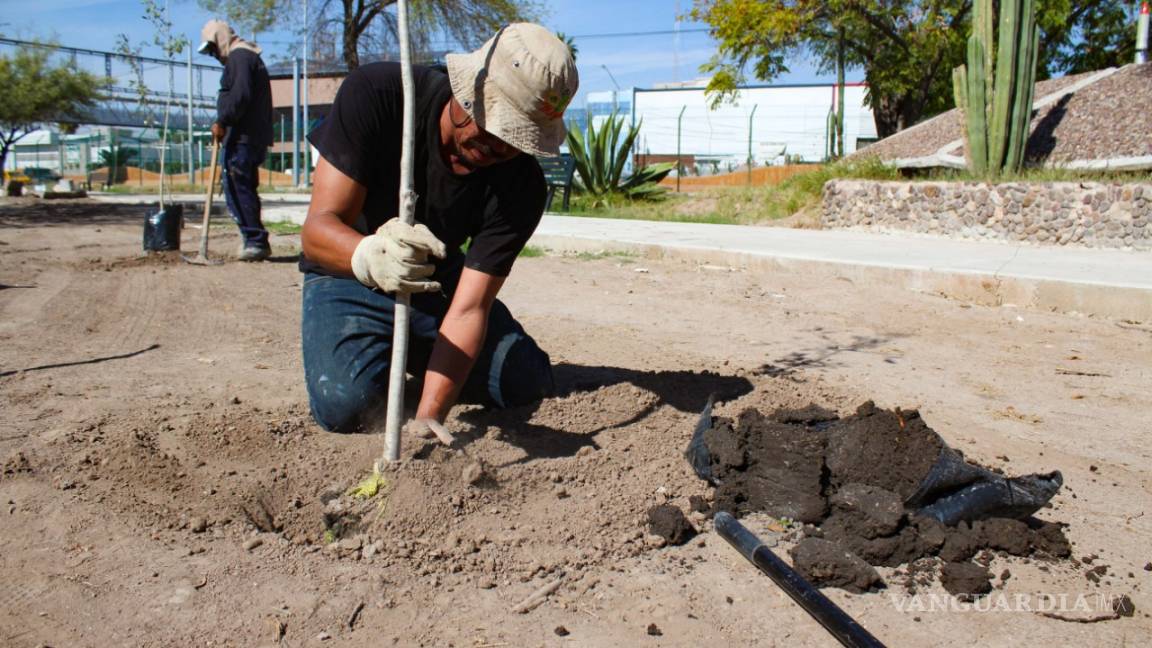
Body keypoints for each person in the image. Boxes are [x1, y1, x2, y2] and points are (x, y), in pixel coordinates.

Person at [299, 23, 578, 438]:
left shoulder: (521, 186)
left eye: (515, 138)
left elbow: (468, 308)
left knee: (526, 379)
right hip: (347, 274)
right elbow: (317, 231)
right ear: (468, 89)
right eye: (494, 125)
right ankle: (382, 359)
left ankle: (420, 365)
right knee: (347, 405)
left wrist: (430, 414)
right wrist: (369, 255)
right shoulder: (379, 94)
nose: (499, 147)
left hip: (433, 283)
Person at [197, 19, 274, 261]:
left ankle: (254, 241)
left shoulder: (240, 57)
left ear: (220, 39)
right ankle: (255, 240)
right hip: (250, 136)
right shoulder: (246, 57)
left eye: (212, 49)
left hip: (242, 137)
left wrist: (223, 120)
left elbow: (240, 96)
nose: (214, 55)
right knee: (244, 187)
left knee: (238, 186)